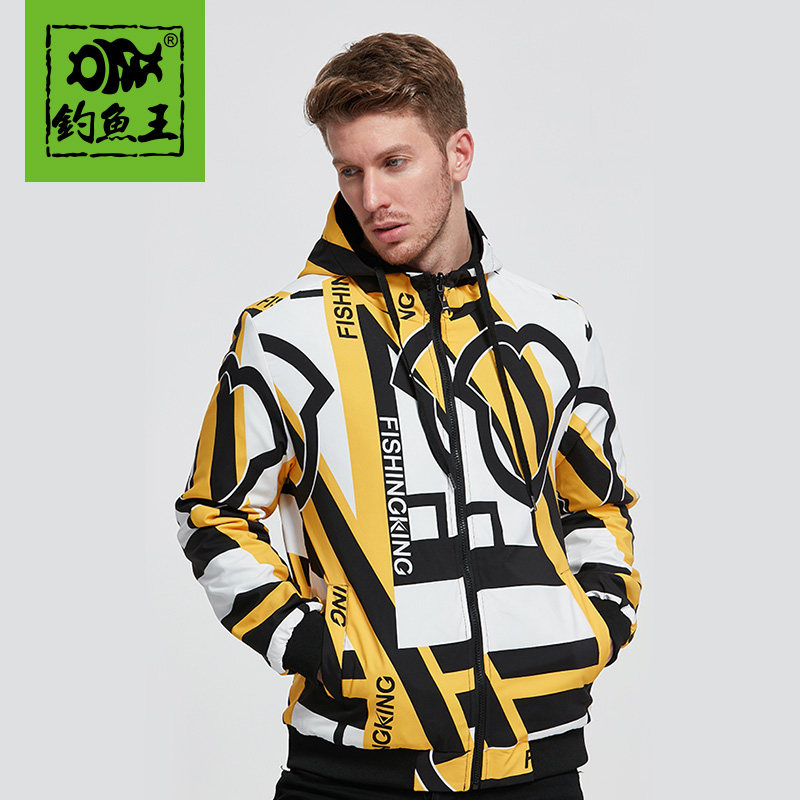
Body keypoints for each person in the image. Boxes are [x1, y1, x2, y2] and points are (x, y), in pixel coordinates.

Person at [176, 32, 640, 799]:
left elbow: (598, 504)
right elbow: (213, 513)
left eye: (395, 162)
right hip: (349, 772)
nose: (371, 199)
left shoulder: (553, 327)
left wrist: (597, 624)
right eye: (349, 171)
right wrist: (313, 646)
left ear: (459, 154)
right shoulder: (285, 334)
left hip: (539, 764)